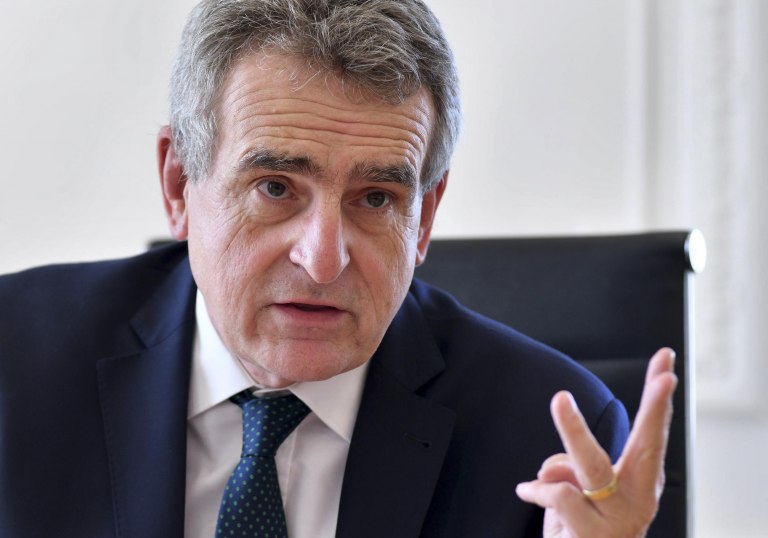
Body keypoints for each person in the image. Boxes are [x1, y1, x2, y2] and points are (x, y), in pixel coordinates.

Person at [0, 1, 676, 537]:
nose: (323, 261)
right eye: (275, 188)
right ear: (179, 185)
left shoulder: (551, 440)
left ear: (424, 218)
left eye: (376, 199)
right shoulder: (14, 362)